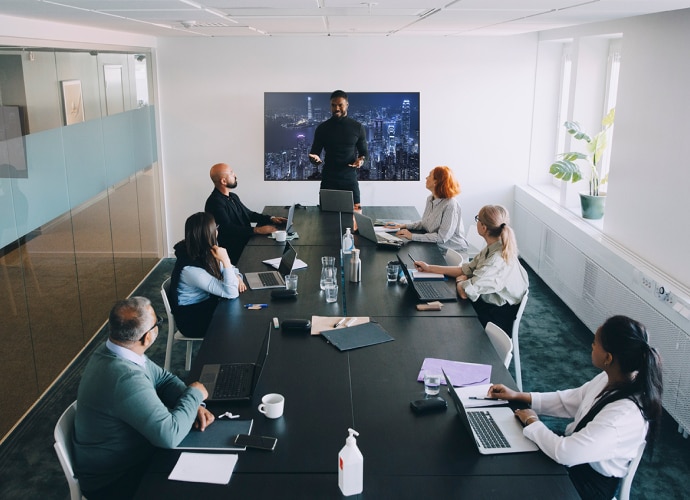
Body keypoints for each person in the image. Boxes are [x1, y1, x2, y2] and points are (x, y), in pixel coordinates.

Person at [488, 315, 663, 500]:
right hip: (575, 453)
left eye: (595, 343)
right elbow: (572, 400)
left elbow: (564, 453)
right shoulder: (614, 376)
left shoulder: (622, 417)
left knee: (512, 477)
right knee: (511, 450)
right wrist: (520, 396)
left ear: (608, 358)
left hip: (587, 484)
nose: (592, 345)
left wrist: (533, 421)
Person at [73, 297, 214, 499]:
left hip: (128, 455)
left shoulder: (118, 350)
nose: (158, 328)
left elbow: (163, 379)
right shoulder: (124, 377)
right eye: (158, 324)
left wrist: (194, 406)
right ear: (147, 337)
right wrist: (195, 394)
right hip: (114, 480)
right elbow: (169, 436)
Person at [412, 204, 527, 333]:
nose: (476, 221)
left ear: (483, 227)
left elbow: (464, 293)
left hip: (495, 315)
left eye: (478, 219)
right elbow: (464, 270)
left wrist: (460, 281)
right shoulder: (494, 246)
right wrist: (429, 268)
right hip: (487, 301)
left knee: (441, 322)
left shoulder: (495, 261)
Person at [170, 211, 246, 338]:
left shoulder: (202, 250)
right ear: (209, 234)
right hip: (194, 320)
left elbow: (233, 269)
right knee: (243, 322)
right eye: (215, 228)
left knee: (244, 313)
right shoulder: (190, 270)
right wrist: (226, 260)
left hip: (207, 305)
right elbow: (231, 292)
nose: (217, 231)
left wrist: (236, 276)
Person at [204, 162, 287, 263]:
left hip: (246, 242)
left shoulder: (233, 197)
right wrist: (258, 230)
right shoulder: (214, 202)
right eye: (231, 173)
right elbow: (228, 229)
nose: (235, 175)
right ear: (224, 181)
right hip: (234, 252)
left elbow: (248, 214)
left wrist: (271, 218)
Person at [309, 90, 368, 210]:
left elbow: (364, 153)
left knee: (355, 218)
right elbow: (314, 153)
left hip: (350, 179)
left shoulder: (357, 127)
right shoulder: (322, 128)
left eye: (340, 105)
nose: (336, 108)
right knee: (326, 218)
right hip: (329, 179)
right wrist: (314, 159)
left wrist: (361, 161)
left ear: (347, 105)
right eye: (333, 105)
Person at [387, 166, 468, 252]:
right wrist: (403, 225)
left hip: (451, 251)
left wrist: (412, 236)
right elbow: (425, 223)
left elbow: (441, 238)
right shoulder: (430, 198)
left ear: (436, 182)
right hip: (435, 246)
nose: (426, 178)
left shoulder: (451, 205)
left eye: (429, 176)